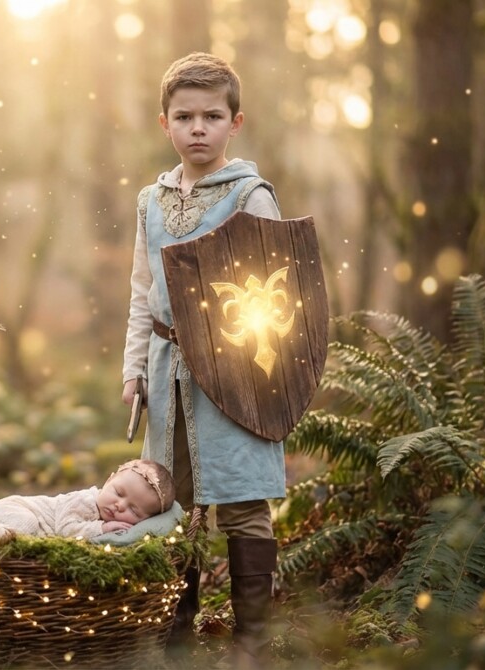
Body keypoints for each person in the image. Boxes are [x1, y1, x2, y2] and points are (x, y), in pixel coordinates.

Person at [121, 52, 285, 666]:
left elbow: (278, 292)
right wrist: (134, 369)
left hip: (237, 372)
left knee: (242, 501)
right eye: (184, 116)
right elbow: (142, 292)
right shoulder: (151, 200)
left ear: (234, 123)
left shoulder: (250, 195)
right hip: (167, 371)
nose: (197, 128)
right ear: (164, 123)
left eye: (212, 116)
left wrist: (250, 367)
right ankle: (177, 636)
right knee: (171, 502)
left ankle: (252, 643)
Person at [0, 459, 176, 546]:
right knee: (28, 524)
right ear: (108, 481)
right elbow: (65, 530)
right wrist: (101, 528)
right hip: (10, 511)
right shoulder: (85, 501)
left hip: (18, 521)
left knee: (25, 538)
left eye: (134, 510)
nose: (119, 505)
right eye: (118, 492)